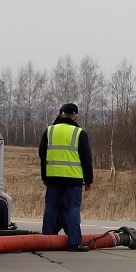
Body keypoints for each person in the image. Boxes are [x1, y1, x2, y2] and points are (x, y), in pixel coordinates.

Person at [39, 102, 93, 251]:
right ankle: (74, 243)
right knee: (73, 209)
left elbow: (42, 156)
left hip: (53, 177)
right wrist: (89, 180)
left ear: (61, 114)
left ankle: (46, 240)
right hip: (73, 179)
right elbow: (86, 158)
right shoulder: (79, 133)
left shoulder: (49, 131)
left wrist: (45, 176)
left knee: (51, 208)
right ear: (75, 117)